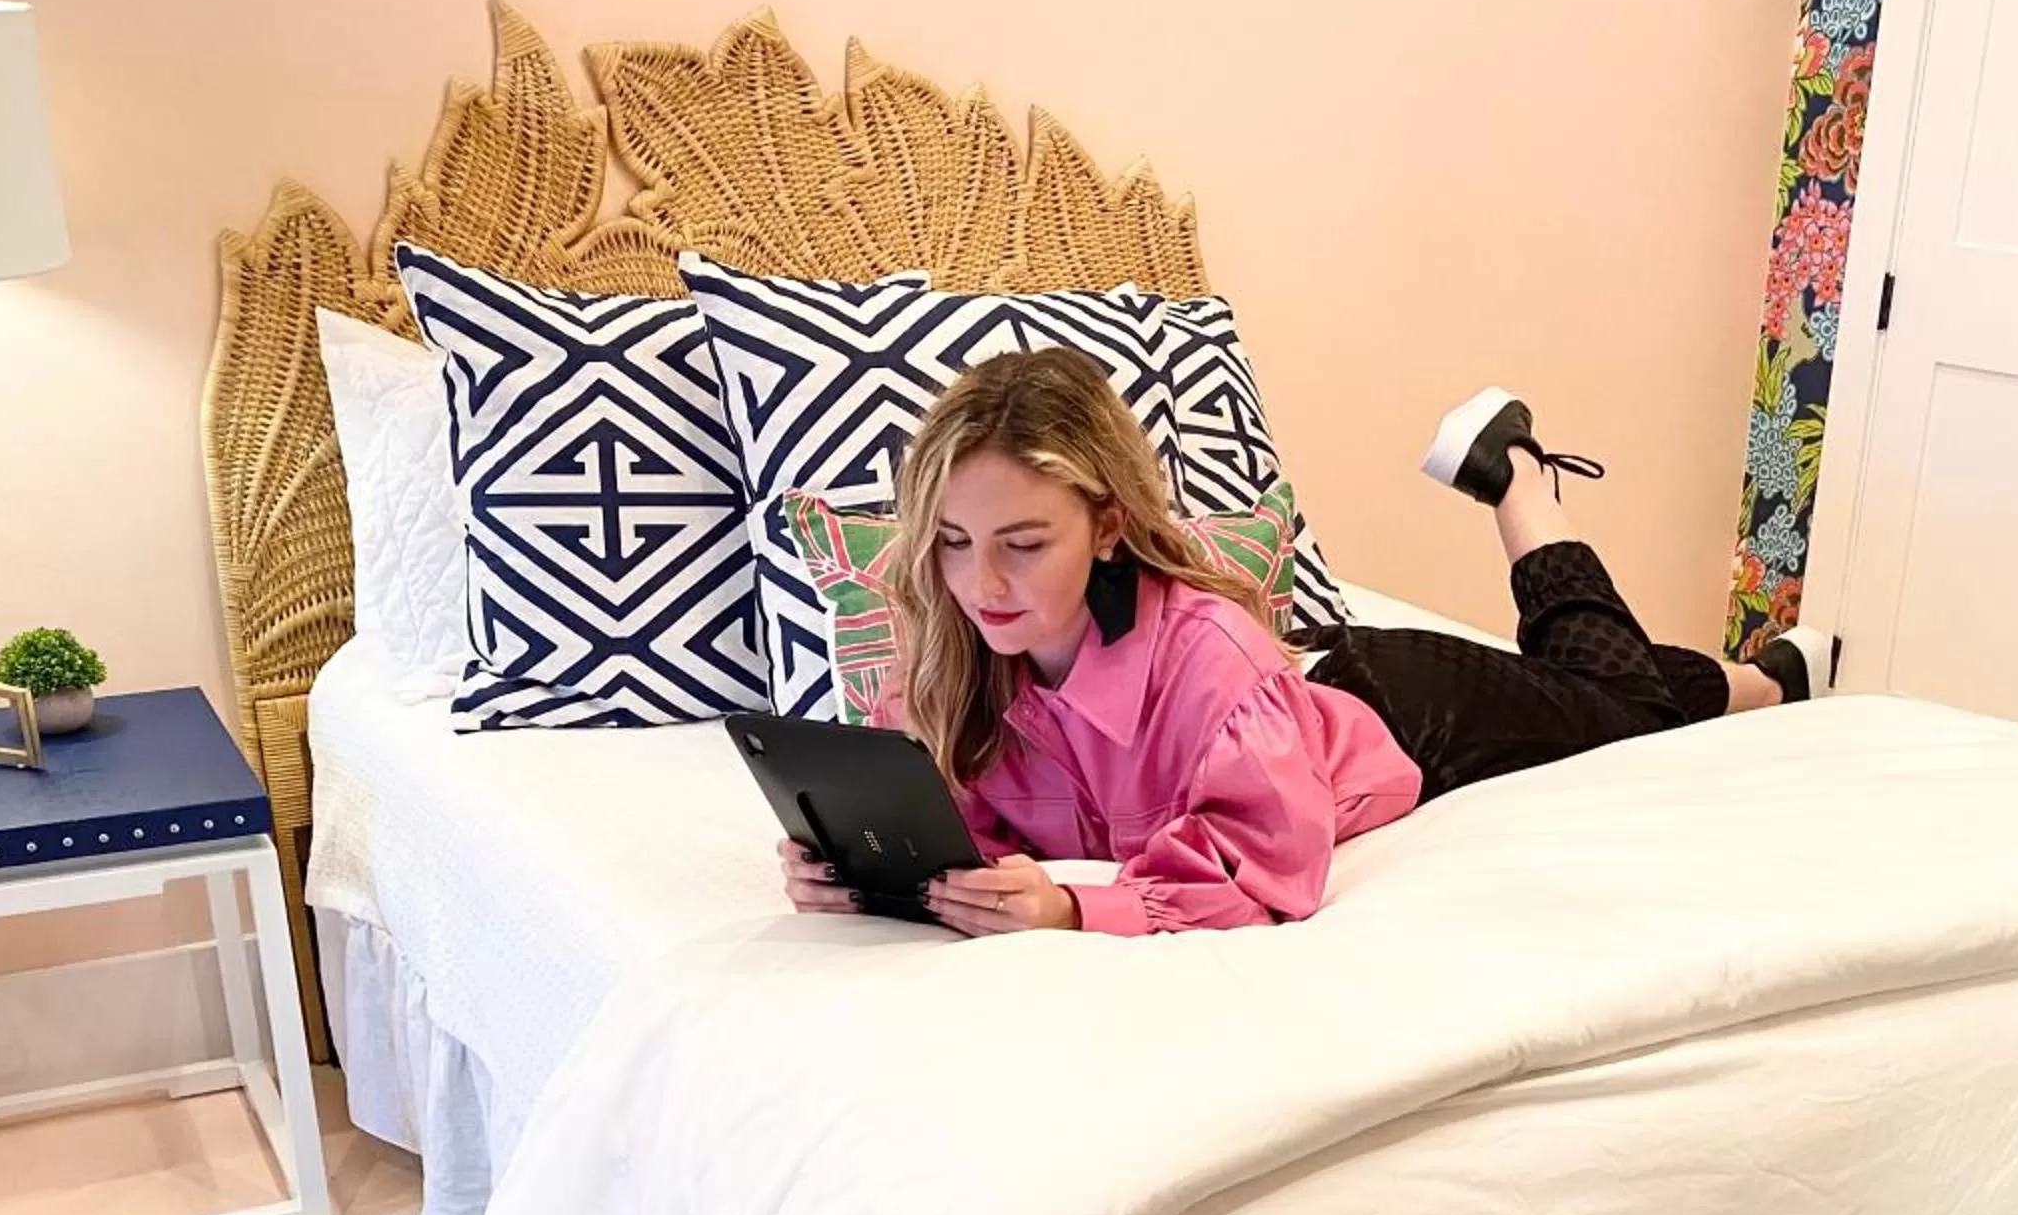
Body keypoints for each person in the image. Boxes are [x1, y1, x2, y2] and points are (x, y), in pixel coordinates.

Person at [776, 350, 1821, 936]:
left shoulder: (1213, 663)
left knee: (1628, 713)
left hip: (1405, 712)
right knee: (1608, 691)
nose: (981, 583)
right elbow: (954, 824)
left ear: (1107, 528)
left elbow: (1263, 872)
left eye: (1023, 543)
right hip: (1299, 688)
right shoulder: (953, 660)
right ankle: (1763, 677)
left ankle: (1520, 486)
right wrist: (857, 866)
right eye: (952, 542)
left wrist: (1070, 909)